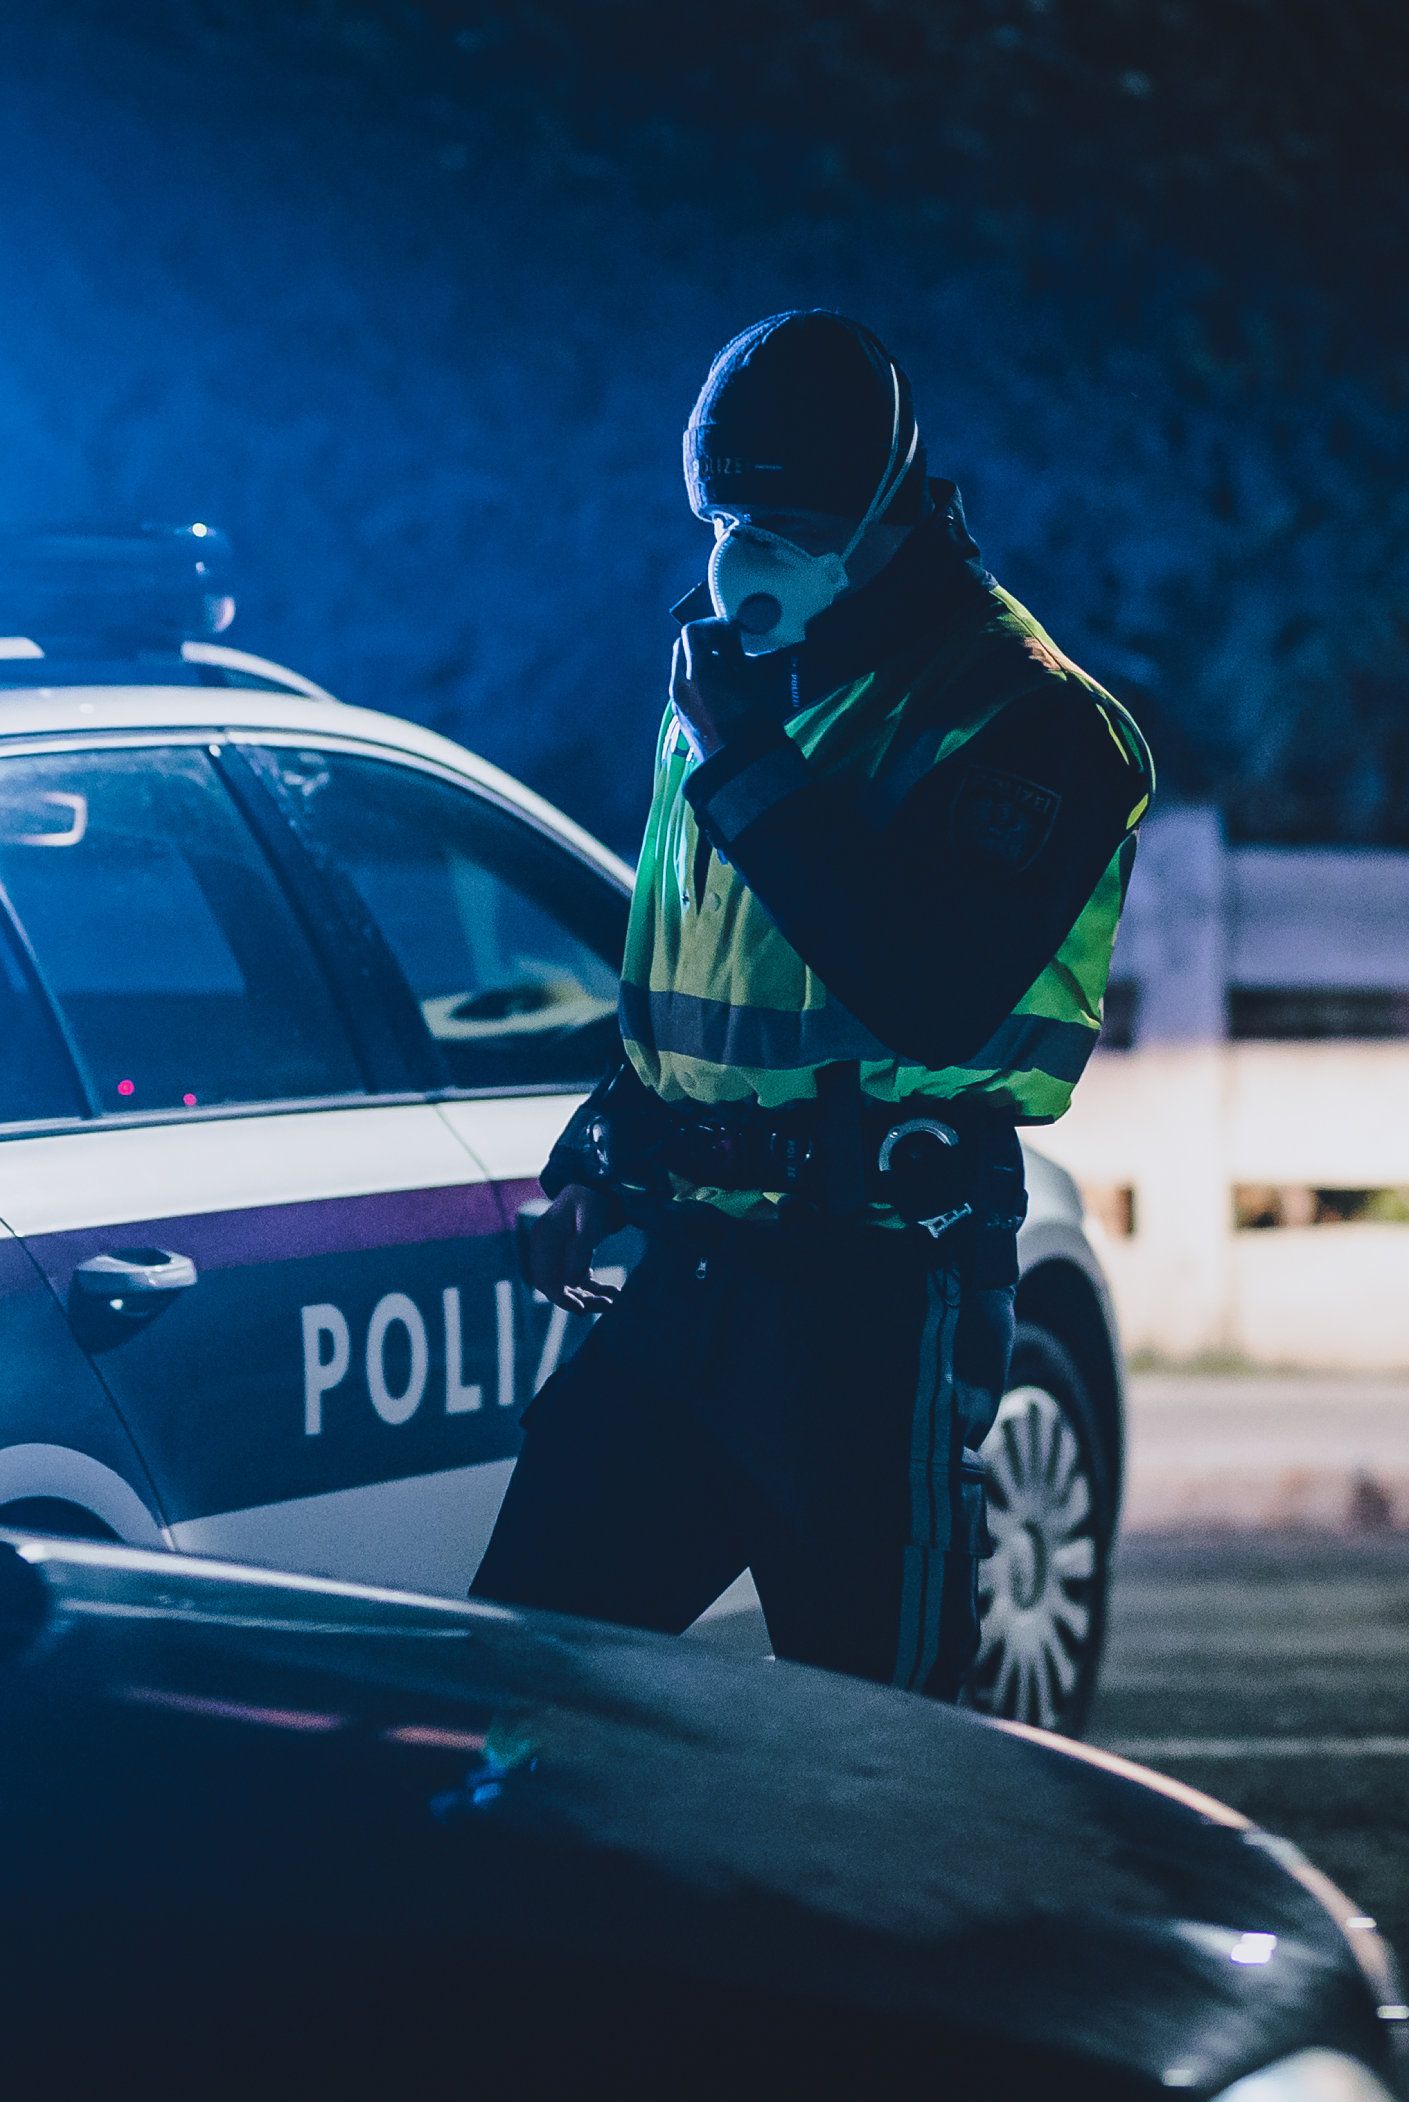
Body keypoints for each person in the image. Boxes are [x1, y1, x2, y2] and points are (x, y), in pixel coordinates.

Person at [471, 309, 1153, 1703]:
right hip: (687, 1281)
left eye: (785, 519)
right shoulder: (737, 681)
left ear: (888, 506)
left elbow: (931, 991)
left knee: (882, 1755)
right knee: (518, 1686)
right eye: (724, 515)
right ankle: (508, 1927)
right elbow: (696, 980)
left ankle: (931, 1933)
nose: (743, 553)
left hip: (870, 1302)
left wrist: (752, 770)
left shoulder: (1029, 721)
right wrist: (607, 1156)